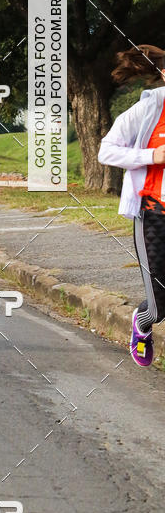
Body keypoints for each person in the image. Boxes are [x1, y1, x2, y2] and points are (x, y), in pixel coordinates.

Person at [98, 44, 165, 368]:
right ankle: (141, 325)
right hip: (154, 216)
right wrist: (152, 156)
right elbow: (106, 152)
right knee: (158, 307)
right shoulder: (149, 111)